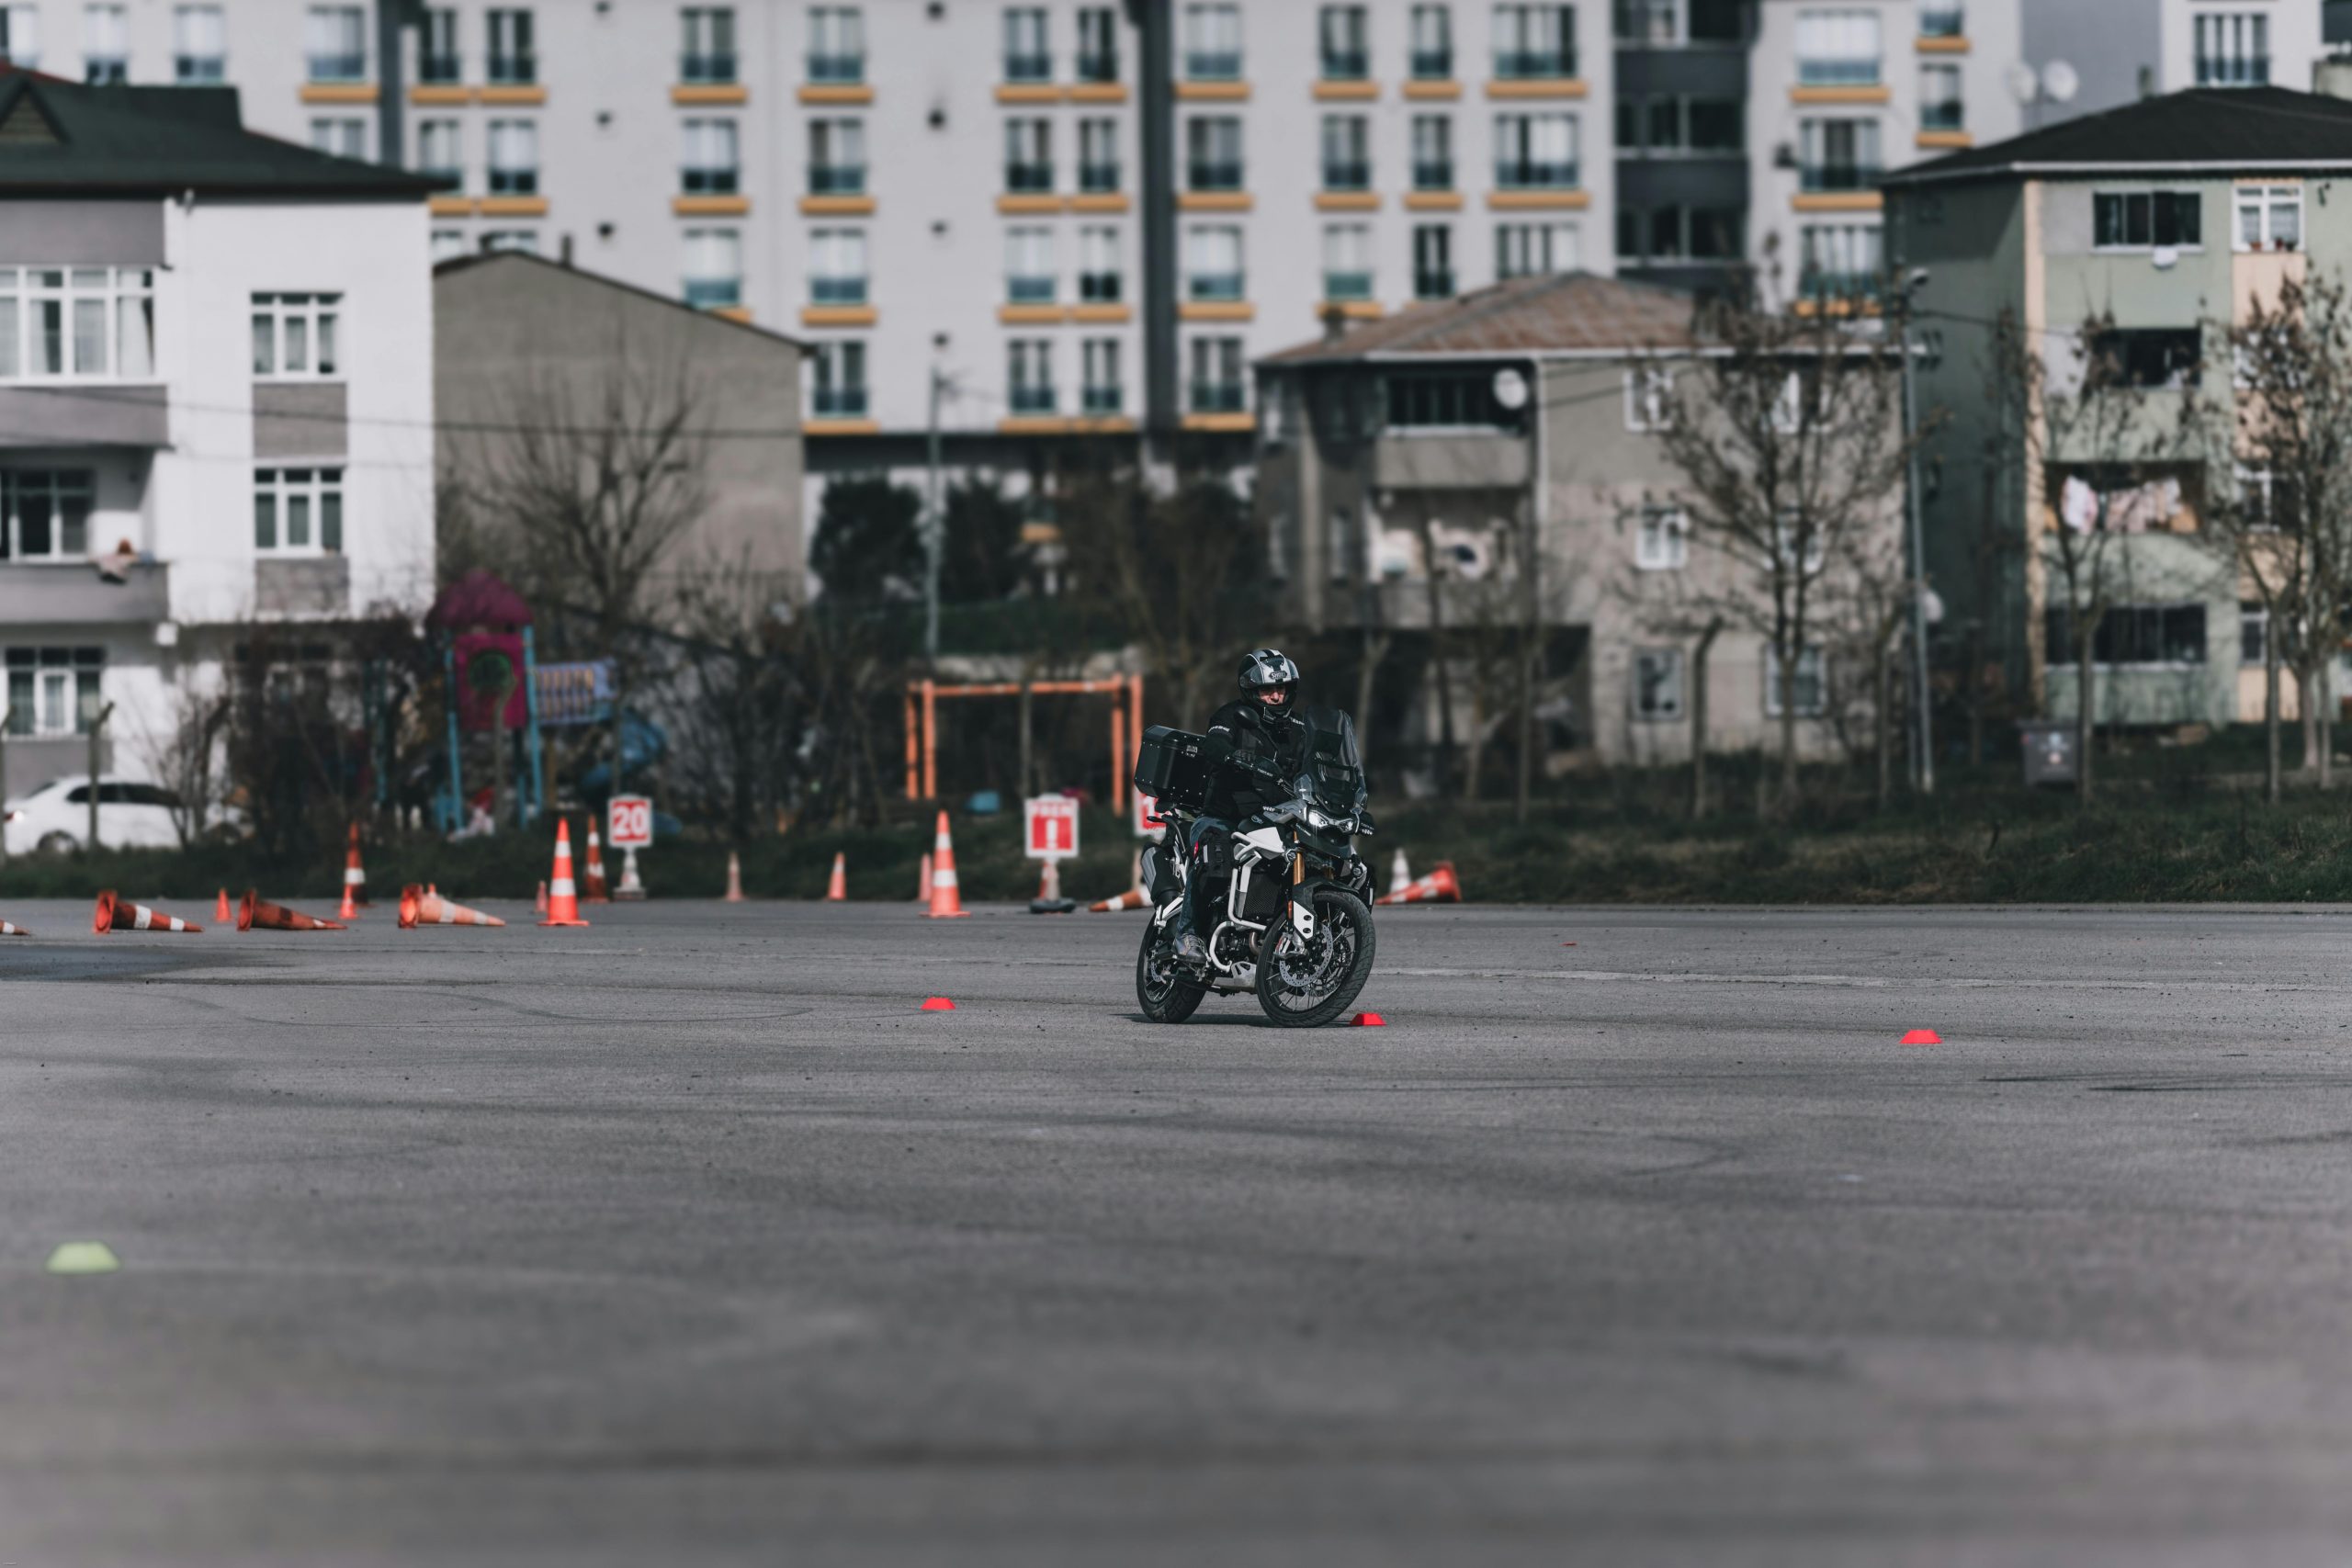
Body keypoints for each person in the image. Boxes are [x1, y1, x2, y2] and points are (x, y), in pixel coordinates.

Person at [1172, 649, 1316, 966]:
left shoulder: (1299, 728)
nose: (1276, 696)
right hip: (1224, 818)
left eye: (1281, 689)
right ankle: (1188, 933)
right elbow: (1213, 744)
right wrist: (1236, 756)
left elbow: (1316, 764)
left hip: (1275, 820)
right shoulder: (1231, 716)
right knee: (1215, 860)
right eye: (1268, 691)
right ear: (1251, 691)